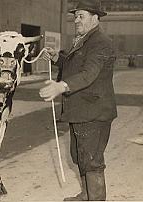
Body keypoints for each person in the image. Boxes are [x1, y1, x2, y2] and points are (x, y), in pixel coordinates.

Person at [39, 0, 117, 200]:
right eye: (75, 16)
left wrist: (61, 86)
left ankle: (96, 199)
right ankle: (86, 195)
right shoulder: (84, 40)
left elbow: (89, 73)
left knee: (91, 160)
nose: (76, 20)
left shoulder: (101, 42)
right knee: (79, 156)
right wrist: (58, 58)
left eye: (81, 16)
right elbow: (75, 65)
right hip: (81, 110)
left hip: (94, 112)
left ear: (95, 18)